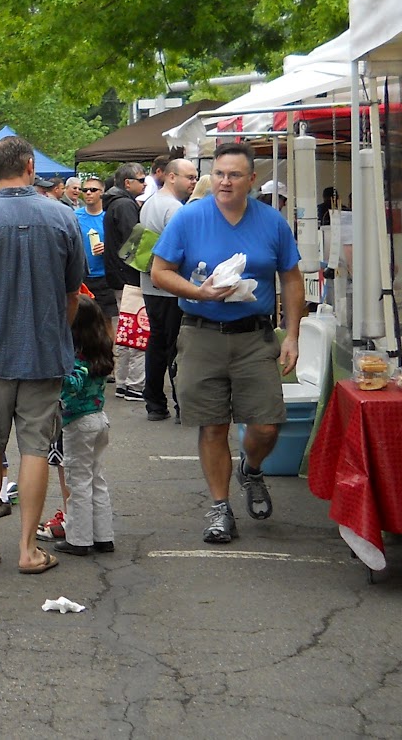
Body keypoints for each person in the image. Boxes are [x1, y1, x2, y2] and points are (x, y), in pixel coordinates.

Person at [149, 142, 301, 545]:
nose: (225, 182)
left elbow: (291, 277)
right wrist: (197, 292)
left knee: (267, 425)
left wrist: (294, 335)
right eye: (218, 174)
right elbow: (159, 271)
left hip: (255, 336)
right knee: (213, 426)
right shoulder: (189, 218)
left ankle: (250, 468)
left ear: (252, 180)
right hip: (201, 334)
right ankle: (219, 508)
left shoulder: (272, 222)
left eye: (234, 175)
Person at [0, 134, 84, 574]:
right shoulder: (63, 218)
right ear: (29, 165)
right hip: (45, 351)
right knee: (35, 448)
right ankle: (28, 549)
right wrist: (56, 331)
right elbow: (72, 294)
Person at [55, 294, 117, 557]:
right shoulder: (100, 354)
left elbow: (73, 385)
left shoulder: (76, 359)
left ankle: (79, 538)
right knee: (96, 478)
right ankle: (104, 535)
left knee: (77, 481)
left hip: (78, 423)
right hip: (100, 420)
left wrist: (58, 377)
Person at [139, 158, 198, 422]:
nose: (193, 182)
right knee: (175, 347)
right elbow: (183, 251)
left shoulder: (151, 202)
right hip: (170, 286)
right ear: (172, 177)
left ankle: (154, 402)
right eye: (190, 177)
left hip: (150, 283)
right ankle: (180, 404)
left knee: (157, 343)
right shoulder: (175, 209)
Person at [102, 162, 145, 400]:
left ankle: (124, 381)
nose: (145, 183)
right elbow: (135, 241)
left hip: (119, 276)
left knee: (126, 329)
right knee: (135, 330)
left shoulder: (115, 203)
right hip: (129, 277)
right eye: (141, 180)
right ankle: (133, 384)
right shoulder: (125, 205)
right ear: (127, 183)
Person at [77, 176, 118, 318]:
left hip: (104, 277)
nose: (88, 193)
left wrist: (108, 247)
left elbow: (121, 243)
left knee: (106, 320)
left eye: (93, 190)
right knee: (82, 322)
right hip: (82, 277)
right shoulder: (74, 216)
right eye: (85, 190)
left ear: (102, 193)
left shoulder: (109, 216)